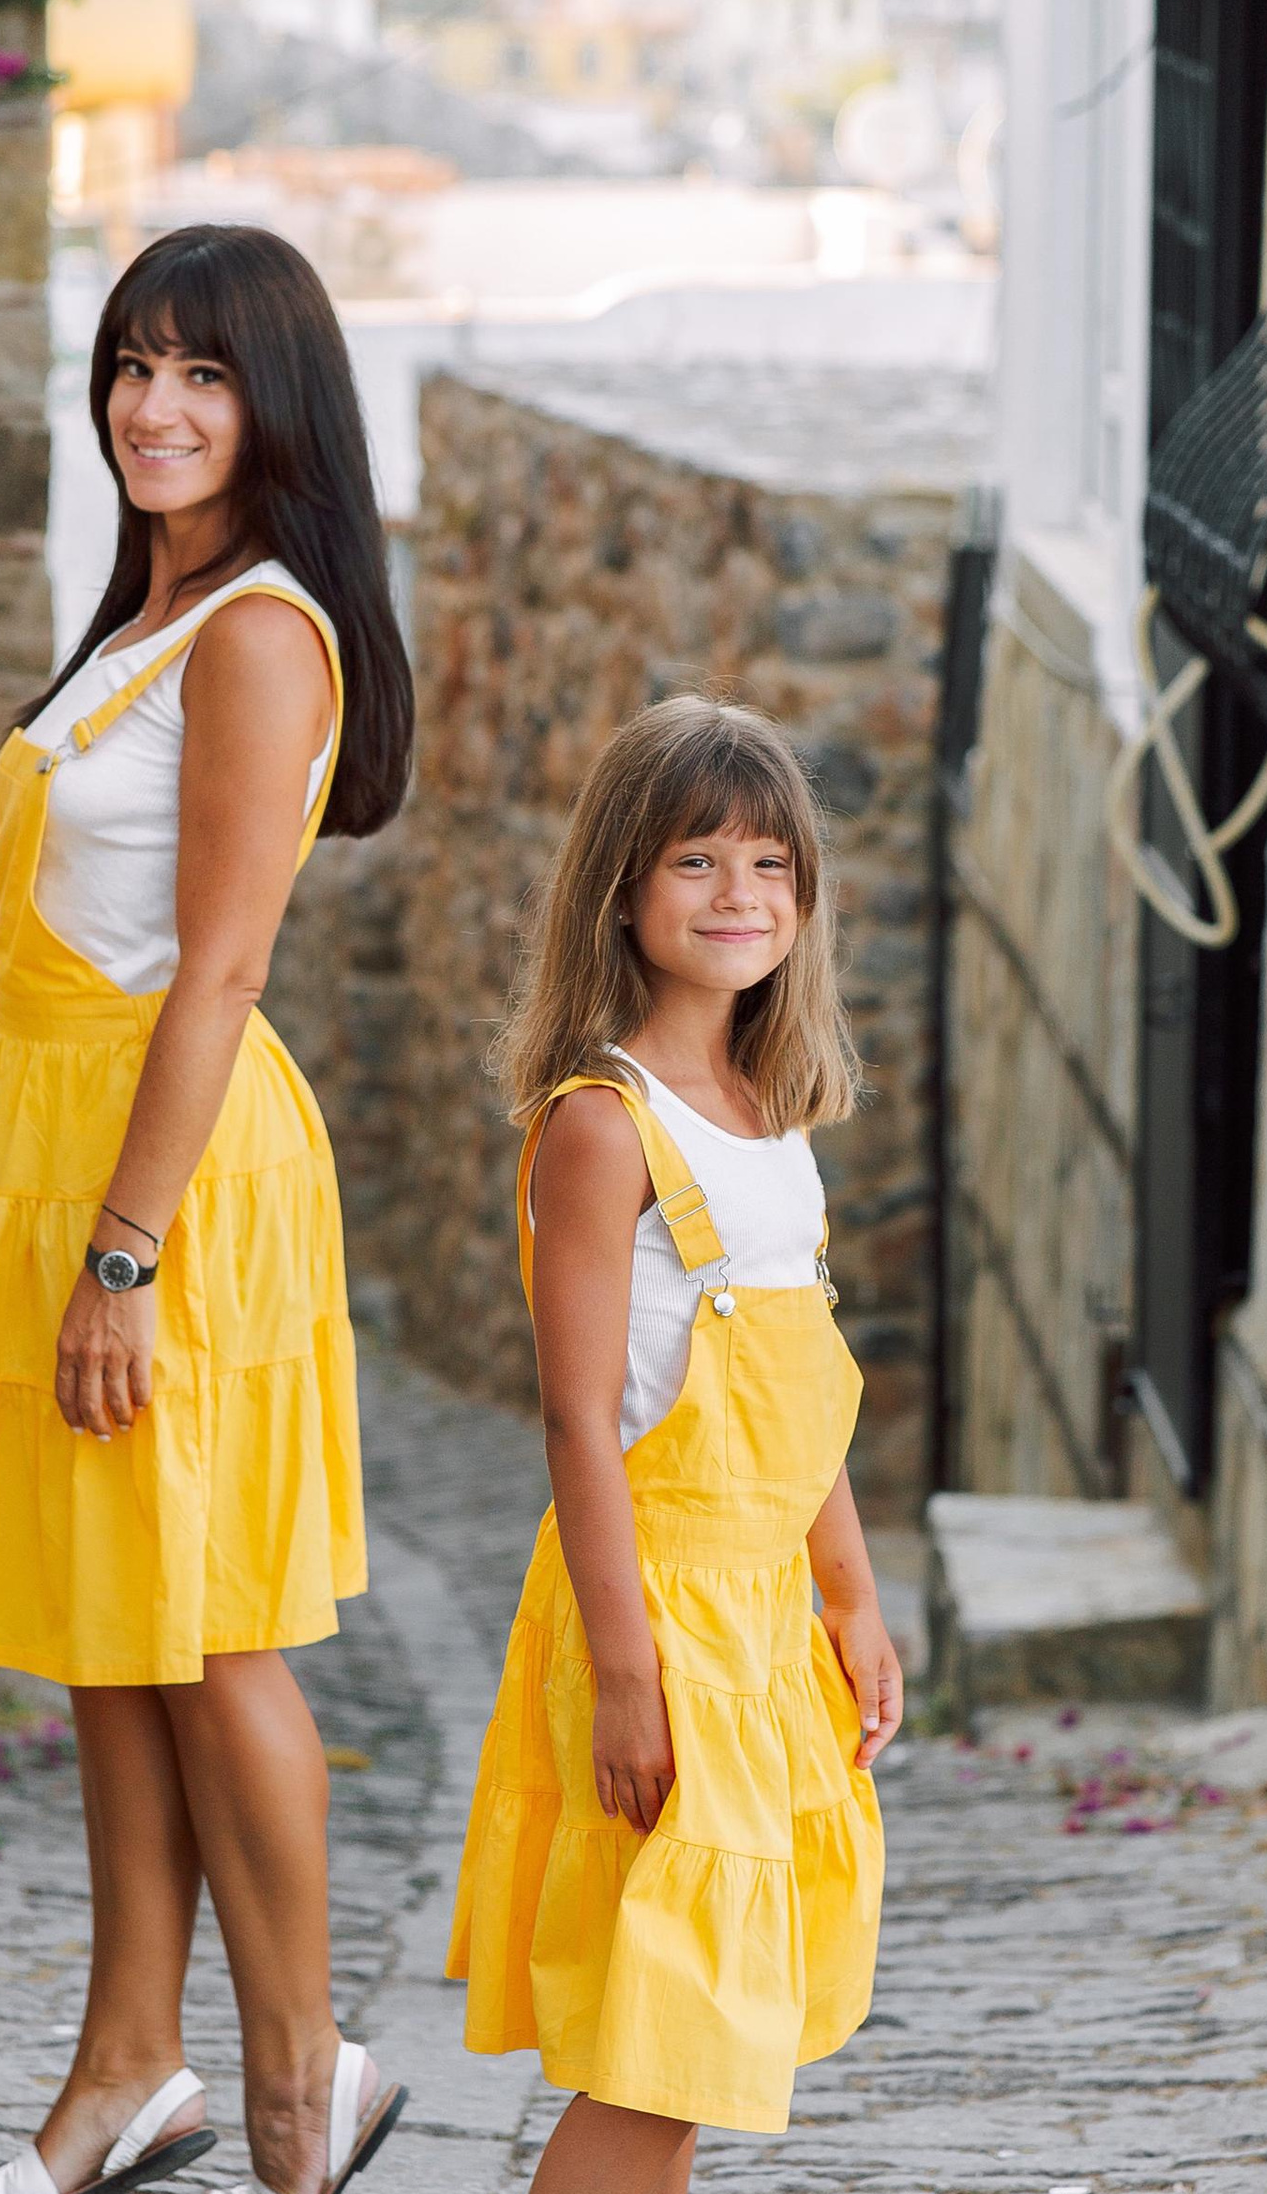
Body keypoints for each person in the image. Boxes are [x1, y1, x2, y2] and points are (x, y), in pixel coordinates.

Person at [0, 225, 414, 2194]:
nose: (152, 406)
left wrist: (122, 1247)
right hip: (65, 1137)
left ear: (272, 404)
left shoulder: (262, 630)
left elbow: (217, 969)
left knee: (206, 1632)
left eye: (201, 373)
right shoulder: (142, 615)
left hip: (164, 1165)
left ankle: (303, 2076)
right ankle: (127, 2059)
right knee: (112, 1625)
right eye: (130, 365)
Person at [447, 696, 901, 2192]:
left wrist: (850, 1593)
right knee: (663, 2047)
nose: (738, 898)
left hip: (763, 1618)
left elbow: (795, 1384)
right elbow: (580, 1420)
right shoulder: (604, 1124)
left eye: (771, 867)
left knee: (701, 2045)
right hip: (657, 1616)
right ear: (623, 889)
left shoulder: (771, 1116)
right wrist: (628, 1673)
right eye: (698, 862)